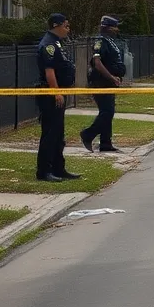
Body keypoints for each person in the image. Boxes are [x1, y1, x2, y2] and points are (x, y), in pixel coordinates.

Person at [35, 13, 80, 182]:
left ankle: (59, 168)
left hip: (59, 91)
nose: (68, 29)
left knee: (59, 133)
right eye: (66, 26)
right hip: (50, 93)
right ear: (56, 25)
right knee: (50, 133)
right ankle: (44, 171)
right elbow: (49, 71)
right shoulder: (48, 45)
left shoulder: (57, 43)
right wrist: (56, 92)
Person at [81, 16, 125, 153]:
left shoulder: (110, 41)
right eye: (115, 27)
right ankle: (87, 134)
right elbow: (97, 63)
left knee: (108, 111)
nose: (117, 29)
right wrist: (111, 77)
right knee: (107, 112)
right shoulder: (100, 41)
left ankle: (106, 142)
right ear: (108, 27)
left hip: (109, 82)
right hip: (100, 82)